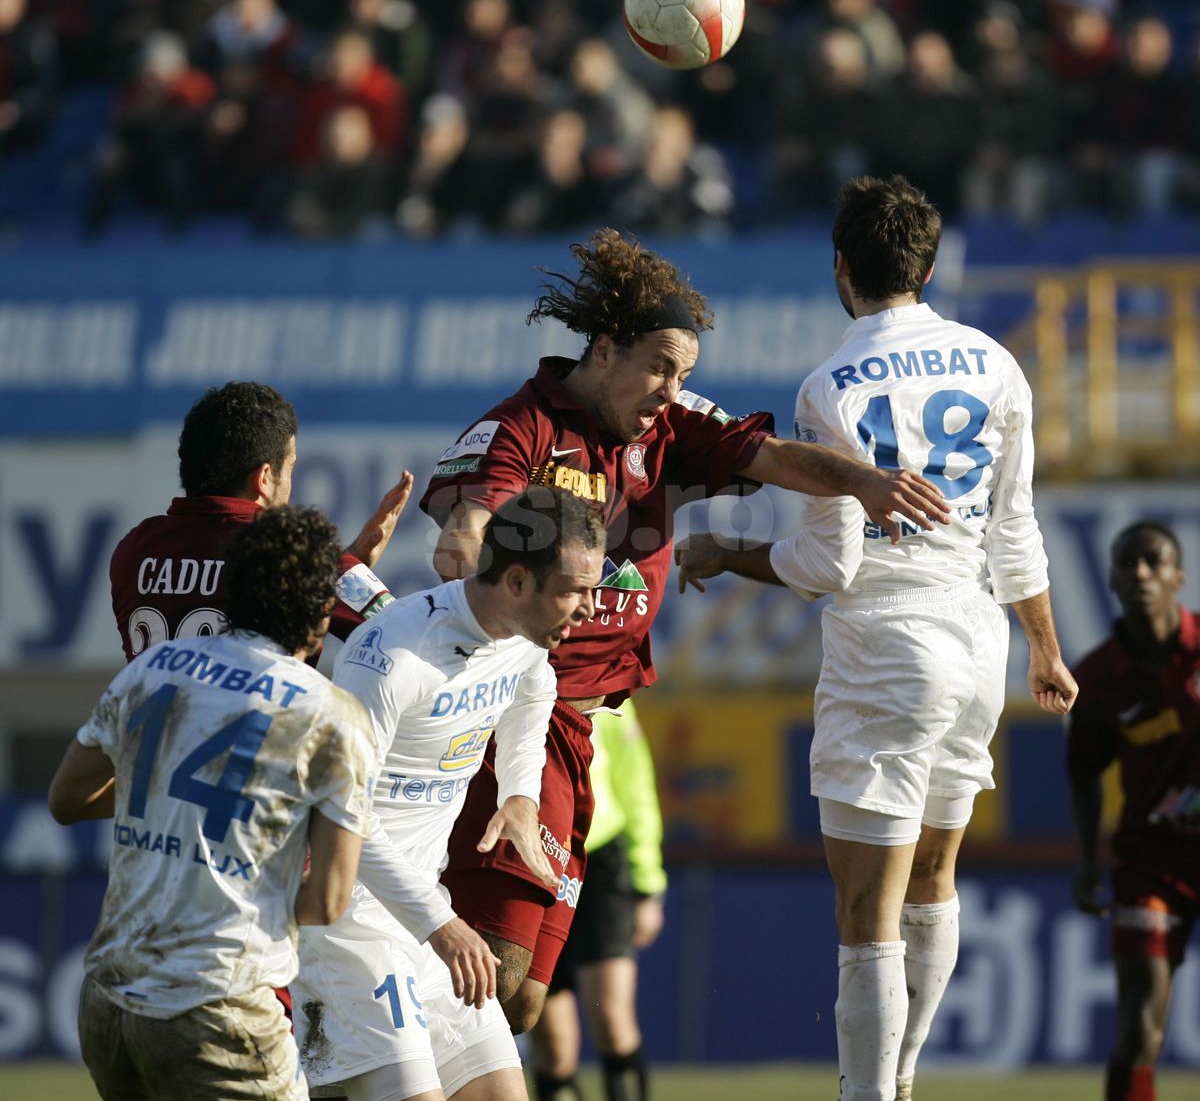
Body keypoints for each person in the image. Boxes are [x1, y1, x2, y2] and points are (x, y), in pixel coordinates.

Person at [420, 225, 953, 1034]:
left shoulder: (671, 427)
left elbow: (777, 459)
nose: (671, 387)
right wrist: (467, 545)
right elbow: (472, 516)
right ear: (603, 352)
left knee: (522, 1000)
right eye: (659, 367)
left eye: (684, 373)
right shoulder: (527, 425)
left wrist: (867, 484)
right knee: (490, 975)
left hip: (586, 729)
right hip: (510, 718)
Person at [675, 175, 1078, 1101]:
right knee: (935, 874)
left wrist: (726, 552)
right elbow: (1014, 528)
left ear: (841, 269)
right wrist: (1045, 651)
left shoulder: (829, 388)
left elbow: (830, 567)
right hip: (980, 642)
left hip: (888, 645)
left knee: (867, 907)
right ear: (929, 268)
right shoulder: (994, 363)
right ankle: (898, 1079)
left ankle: (870, 1094)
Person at [48, 505, 378, 1100]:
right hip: (217, 1004)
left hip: (110, 1000)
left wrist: (170, 802)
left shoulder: (155, 667)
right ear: (322, 612)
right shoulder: (329, 715)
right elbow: (328, 899)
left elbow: (68, 798)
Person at [294, 487, 606, 1101]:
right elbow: (343, 818)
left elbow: (535, 687)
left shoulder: (524, 642)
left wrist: (519, 793)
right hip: (348, 926)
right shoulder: (391, 659)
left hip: (426, 918)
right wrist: (443, 924)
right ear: (516, 580)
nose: (591, 610)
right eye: (575, 591)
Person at [110, 379, 410, 665]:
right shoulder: (292, 550)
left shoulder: (134, 548)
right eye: (291, 467)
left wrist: (335, 570)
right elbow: (408, 636)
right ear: (265, 478)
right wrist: (340, 568)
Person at [1066, 521, 1200, 1101]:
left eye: (1153, 562)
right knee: (1140, 1025)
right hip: (1149, 865)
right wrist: (1087, 859)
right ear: (1114, 579)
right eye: (1128, 564)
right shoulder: (1097, 680)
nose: (1141, 573)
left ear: (1179, 576)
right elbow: (1084, 775)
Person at [528, 698, 666, 1101]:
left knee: (612, 1023)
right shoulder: (510, 674)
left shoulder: (606, 690)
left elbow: (636, 785)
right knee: (552, 1047)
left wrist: (647, 884)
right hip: (535, 862)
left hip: (599, 860)